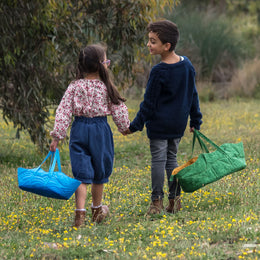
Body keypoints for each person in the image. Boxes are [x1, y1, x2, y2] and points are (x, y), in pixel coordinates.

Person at [123, 20, 202, 215]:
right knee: (172, 159)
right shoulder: (187, 65)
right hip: (177, 125)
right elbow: (193, 94)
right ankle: (174, 201)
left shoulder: (159, 71)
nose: (148, 45)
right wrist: (195, 120)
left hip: (159, 125)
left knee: (158, 160)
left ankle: (156, 203)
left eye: (153, 41)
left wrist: (134, 126)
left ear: (166, 46)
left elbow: (149, 104)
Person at [50, 44, 130, 227]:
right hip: (100, 131)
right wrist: (124, 127)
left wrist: (57, 136)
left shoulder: (74, 86)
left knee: (81, 174)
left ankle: (80, 216)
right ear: (102, 65)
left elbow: (63, 111)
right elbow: (118, 109)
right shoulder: (106, 87)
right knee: (99, 173)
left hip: (79, 129)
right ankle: (97, 210)